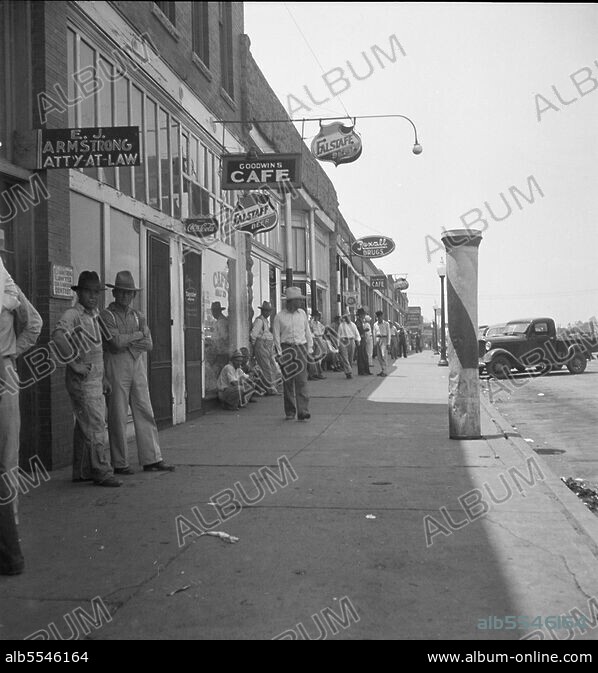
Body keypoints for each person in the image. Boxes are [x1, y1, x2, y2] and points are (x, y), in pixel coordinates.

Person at [101, 271, 175, 475]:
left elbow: (149, 344)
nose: (125, 296)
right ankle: (119, 462)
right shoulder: (106, 315)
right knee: (117, 413)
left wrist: (130, 342)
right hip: (116, 364)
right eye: (121, 292)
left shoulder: (138, 315)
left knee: (144, 408)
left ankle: (152, 458)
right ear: (114, 293)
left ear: (133, 295)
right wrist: (137, 336)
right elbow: (114, 344)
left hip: (136, 363)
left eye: (129, 293)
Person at [53, 271, 121, 487]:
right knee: (95, 424)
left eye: (96, 292)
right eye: (88, 292)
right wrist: (74, 363)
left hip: (94, 379)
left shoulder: (94, 315)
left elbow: (98, 350)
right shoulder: (73, 314)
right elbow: (58, 336)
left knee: (86, 425)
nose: (92, 296)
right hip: (82, 381)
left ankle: (82, 471)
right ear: (79, 293)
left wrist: (103, 379)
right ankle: (101, 471)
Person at [0, 252, 42, 575]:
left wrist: (12, 353)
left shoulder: (9, 289)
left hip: (4, 374)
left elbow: (35, 322)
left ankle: (10, 539)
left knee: (6, 459)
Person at [272, 286, 313, 421]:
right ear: (290, 301)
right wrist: (279, 352)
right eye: (298, 300)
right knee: (288, 381)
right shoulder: (279, 317)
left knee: (302, 381)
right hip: (286, 348)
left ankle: (303, 411)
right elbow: (276, 336)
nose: (300, 303)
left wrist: (310, 349)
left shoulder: (302, 314)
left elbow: (307, 332)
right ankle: (290, 411)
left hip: (301, 347)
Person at [249, 301, 279, 395]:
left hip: (267, 346)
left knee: (271, 367)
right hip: (261, 345)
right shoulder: (259, 321)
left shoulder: (265, 321)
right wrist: (256, 346)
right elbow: (253, 335)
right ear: (262, 311)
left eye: (269, 311)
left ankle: (270, 386)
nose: (268, 313)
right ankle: (270, 389)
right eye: (266, 311)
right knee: (266, 368)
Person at [337, 313, 361, 379]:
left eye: (348, 317)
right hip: (343, 341)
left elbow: (357, 333)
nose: (347, 318)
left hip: (351, 340)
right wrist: (338, 344)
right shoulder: (341, 325)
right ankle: (349, 371)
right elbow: (338, 335)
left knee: (350, 357)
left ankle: (348, 371)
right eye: (345, 317)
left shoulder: (353, 325)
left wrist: (358, 340)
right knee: (345, 357)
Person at [307, 310, 326, 380]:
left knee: (318, 357)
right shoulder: (310, 323)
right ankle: (314, 373)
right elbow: (310, 332)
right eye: (316, 316)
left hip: (319, 338)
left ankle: (317, 372)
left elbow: (323, 329)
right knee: (314, 357)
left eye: (318, 316)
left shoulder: (319, 324)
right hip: (314, 339)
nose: (317, 317)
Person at [373, 311, 391, 377]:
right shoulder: (375, 324)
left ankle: (385, 371)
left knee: (384, 355)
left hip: (384, 339)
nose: (379, 318)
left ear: (382, 316)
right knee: (379, 356)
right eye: (378, 317)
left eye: (380, 316)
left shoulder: (386, 324)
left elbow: (389, 333)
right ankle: (382, 369)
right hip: (378, 339)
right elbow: (374, 333)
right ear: (376, 317)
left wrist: (388, 343)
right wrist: (374, 343)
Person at [355, 308, 370, 375]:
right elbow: (359, 331)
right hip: (360, 339)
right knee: (361, 355)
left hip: (363, 339)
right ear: (360, 315)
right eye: (363, 314)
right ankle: (361, 371)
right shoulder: (358, 322)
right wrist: (365, 330)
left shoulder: (361, 321)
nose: (364, 315)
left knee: (365, 355)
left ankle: (366, 370)